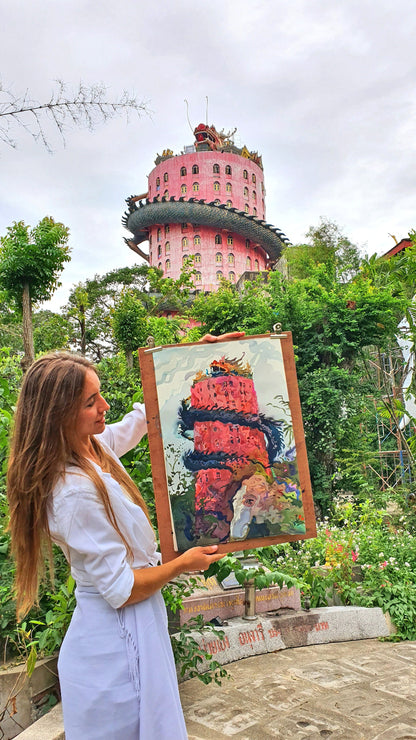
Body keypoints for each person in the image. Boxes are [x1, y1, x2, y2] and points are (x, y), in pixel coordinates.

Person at [7, 332, 243, 740]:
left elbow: (141, 420)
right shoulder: (72, 493)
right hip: (112, 652)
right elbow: (121, 588)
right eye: (90, 402)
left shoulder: (90, 446)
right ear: (57, 415)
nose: (104, 407)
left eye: (99, 395)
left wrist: (189, 357)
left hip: (132, 631)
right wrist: (181, 565)